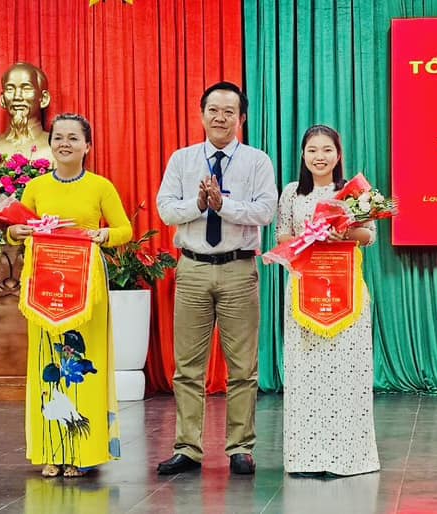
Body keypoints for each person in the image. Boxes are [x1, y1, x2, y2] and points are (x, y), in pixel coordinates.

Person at [156, 82, 277, 475]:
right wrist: (198, 204)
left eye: (229, 111)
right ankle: (187, 448)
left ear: (241, 118)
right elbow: (165, 210)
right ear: (202, 114)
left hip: (239, 269)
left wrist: (224, 206)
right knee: (188, 367)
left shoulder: (257, 161)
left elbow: (265, 212)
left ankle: (240, 447)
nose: (220, 118)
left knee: (242, 367)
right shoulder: (182, 160)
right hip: (192, 268)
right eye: (213, 110)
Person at [7, 113, 133, 477]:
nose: (65, 143)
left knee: (81, 365)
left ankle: (81, 452)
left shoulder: (100, 187)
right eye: (59, 137)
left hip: (86, 287)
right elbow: (15, 230)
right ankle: (51, 450)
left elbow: (124, 229)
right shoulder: (35, 187)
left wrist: (104, 235)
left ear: (87, 146)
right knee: (47, 366)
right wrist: (15, 231)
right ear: (50, 144)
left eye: (73, 138)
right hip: (44, 287)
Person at [275, 125, 380, 476]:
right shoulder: (292, 193)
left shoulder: (355, 193)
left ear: (338, 154)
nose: (319, 157)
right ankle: (306, 458)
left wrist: (343, 232)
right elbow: (282, 235)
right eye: (312, 150)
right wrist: (310, 236)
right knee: (306, 376)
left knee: (346, 376)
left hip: (346, 293)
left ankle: (349, 458)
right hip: (304, 292)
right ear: (303, 155)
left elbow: (370, 236)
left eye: (327, 150)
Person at [0, 62, 55, 168]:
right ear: (2, 100)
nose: (17, 97)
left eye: (26, 88)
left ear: (44, 99)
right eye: (10, 89)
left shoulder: (58, 149)